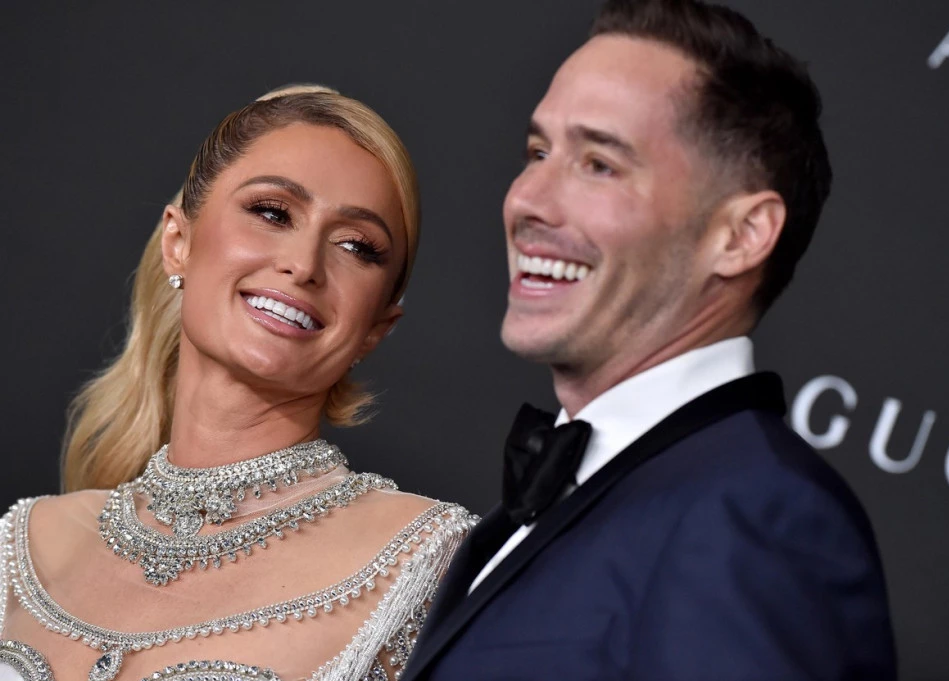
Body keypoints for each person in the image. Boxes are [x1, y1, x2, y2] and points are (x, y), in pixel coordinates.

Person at [402, 1, 896, 679]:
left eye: (599, 164)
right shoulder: (615, 494)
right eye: (538, 152)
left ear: (741, 236)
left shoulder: (759, 518)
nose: (527, 200)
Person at [0, 84, 474, 681]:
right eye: (273, 212)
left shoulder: (430, 562)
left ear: (376, 327)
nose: (304, 264)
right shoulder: (21, 546)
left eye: (356, 246)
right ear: (179, 243)